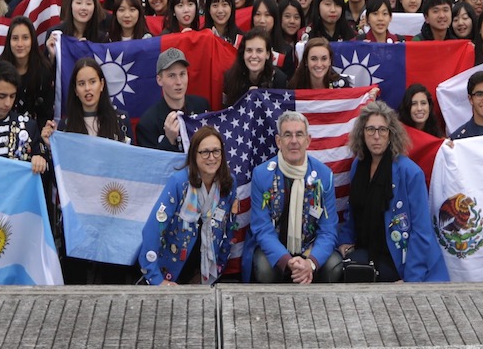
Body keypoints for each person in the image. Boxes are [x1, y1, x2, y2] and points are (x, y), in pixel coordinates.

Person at [337, 101, 448, 282]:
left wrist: (411, 279)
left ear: (391, 134)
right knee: (343, 271)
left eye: (382, 130)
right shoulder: (358, 165)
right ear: (362, 133)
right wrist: (345, 241)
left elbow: (421, 231)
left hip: (401, 260)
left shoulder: (410, 173)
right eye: (370, 130)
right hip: (366, 250)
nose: (376, 136)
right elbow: (354, 210)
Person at [242, 111, 342, 283]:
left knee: (334, 265)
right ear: (278, 141)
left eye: (299, 135)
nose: (294, 141)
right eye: (287, 135)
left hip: (310, 249)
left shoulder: (324, 176)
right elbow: (262, 228)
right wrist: (287, 260)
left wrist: (310, 263)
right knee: (264, 268)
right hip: (275, 250)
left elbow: (328, 229)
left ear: (308, 140)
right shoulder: (262, 175)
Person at [138, 126, 238, 285]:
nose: (211, 157)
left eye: (216, 151)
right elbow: (154, 229)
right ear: (193, 155)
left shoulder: (229, 183)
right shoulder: (179, 183)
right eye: (205, 152)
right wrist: (156, 279)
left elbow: (229, 228)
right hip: (170, 272)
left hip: (207, 273)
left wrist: (219, 267)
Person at [137, 48, 211, 151]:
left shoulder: (201, 106)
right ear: (159, 80)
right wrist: (168, 140)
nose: (179, 82)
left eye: (182, 74)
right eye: (172, 75)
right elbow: (150, 164)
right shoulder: (148, 123)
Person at [0, 17, 54, 131]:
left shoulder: (44, 70)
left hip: (35, 133)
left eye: (25, 38)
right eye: (15, 38)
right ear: (9, 41)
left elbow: (46, 113)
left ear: (32, 40)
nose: (20, 44)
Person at [222, 30, 288, 107]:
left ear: (267, 54)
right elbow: (227, 112)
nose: (253, 56)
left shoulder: (279, 79)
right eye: (249, 50)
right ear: (243, 53)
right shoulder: (230, 78)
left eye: (259, 51)